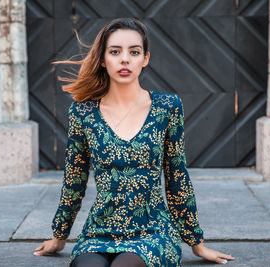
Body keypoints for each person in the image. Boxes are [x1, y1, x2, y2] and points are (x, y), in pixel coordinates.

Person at [33, 18, 235, 266]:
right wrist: (59, 236)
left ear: (145, 59)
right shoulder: (82, 113)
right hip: (99, 231)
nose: (125, 59)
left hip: (153, 231)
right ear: (103, 60)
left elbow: (176, 175)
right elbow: (75, 177)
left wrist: (197, 243)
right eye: (115, 51)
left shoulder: (167, 107)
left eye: (134, 52)